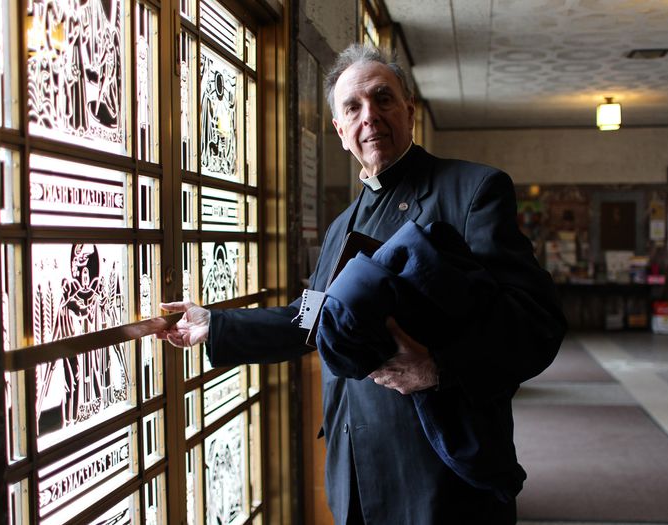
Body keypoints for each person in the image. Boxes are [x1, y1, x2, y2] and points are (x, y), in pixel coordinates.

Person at [157, 44, 566, 524]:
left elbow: (536, 323)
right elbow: (309, 318)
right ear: (339, 131)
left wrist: (438, 368)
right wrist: (217, 325)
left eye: (383, 99)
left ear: (409, 111)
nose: (369, 115)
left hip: (442, 472)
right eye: (353, 107)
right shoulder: (341, 227)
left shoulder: (473, 191)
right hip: (355, 473)